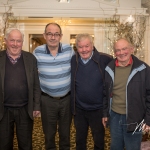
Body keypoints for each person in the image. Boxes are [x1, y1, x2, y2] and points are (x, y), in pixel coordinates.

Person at [102, 38, 150, 150]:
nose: (121, 52)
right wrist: (105, 113)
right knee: (115, 146)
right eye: (118, 50)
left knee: (132, 147)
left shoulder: (143, 69)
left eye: (124, 49)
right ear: (114, 53)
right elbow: (105, 93)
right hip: (114, 116)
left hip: (135, 117)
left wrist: (148, 120)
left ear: (131, 49)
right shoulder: (109, 68)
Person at [33, 23, 74, 150]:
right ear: (44, 35)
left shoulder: (69, 50)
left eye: (56, 34)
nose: (53, 37)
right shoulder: (37, 52)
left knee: (65, 134)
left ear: (60, 36)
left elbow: (78, 70)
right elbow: (32, 76)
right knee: (49, 134)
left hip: (67, 99)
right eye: (49, 34)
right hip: (47, 100)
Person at [0, 28, 41, 150]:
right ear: (6, 41)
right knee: (4, 144)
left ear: (22, 42)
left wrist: (37, 105)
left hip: (25, 109)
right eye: (12, 40)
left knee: (26, 144)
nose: (15, 44)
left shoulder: (31, 59)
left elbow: (36, 85)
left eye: (18, 41)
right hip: (3, 110)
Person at [71, 33, 113, 150]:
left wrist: (106, 112)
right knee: (79, 141)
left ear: (92, 45)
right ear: (76, 48)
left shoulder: (105, 59)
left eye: (87, 46)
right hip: (79, 110)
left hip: (98, 111)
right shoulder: (73, 60)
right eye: (80, 47)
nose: (84, 50)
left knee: (99, 142)